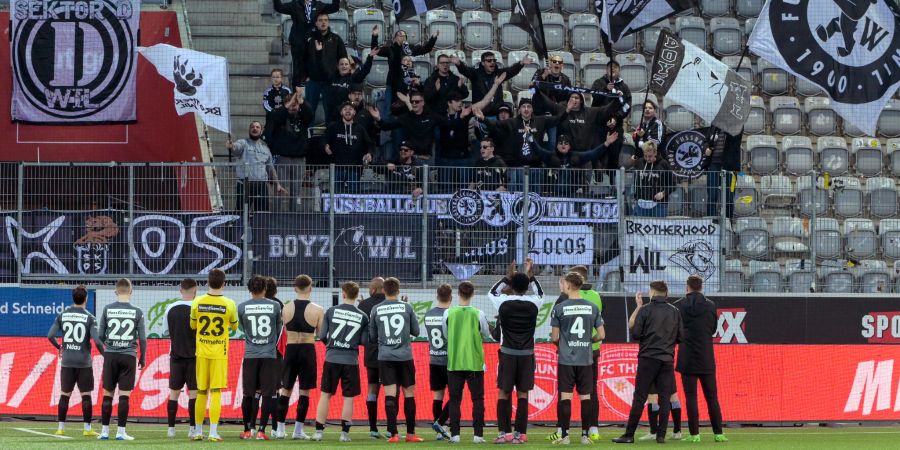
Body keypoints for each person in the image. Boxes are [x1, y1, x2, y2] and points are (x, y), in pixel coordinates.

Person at [612, 281, 683, 444]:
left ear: (652, 293)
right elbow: (681, 336)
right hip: (666, 359)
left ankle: (629, 435)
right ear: (666, 293)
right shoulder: (675, 311)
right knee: (665, 398)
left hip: (648, 358)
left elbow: (635, 334)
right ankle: (661, 436)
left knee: (640, 397)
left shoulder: (645, 310)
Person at [489, 259, 544, 444]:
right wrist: (530, 274)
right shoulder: (534, 303)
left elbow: (492, 291)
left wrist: (508, 276)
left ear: (511, 285)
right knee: (523, 394)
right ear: (526, 287)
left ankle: (504, 433)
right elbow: (540, 292)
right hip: (527, 355)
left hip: (507, 354)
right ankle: (520, 434)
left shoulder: (503, 302)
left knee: (503, 393)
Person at [547, 265, 604, 443]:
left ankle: (564, 436)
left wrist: (563, 343)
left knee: (565, 396)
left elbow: (554, 337)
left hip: (566, 358)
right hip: (586, 358)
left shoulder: (559, 308)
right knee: (586, 397)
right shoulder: (592, 307)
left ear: (569, 286)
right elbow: (602, 335)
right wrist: (588, 341)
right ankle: (585, 435)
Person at [314, 281, 371, 442]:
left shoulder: (331, 311)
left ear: (343, 294)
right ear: (357, 295)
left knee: (325, 395)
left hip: (331, 358)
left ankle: (319, 432)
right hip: (350, 360)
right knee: (348, 398)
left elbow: (322, 335)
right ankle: (344, 434)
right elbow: (364, 341)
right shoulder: (363, 316)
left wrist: (331, 346)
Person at [673, 275, 727, 443]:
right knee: (712, 396)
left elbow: (675, 331)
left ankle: (694, 434)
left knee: (691, 397)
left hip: (687, 356)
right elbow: (713, 329)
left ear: (687, 287)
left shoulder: (678, 306)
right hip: (706, 356)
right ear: (701, 287)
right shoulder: (710, 305)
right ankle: (718, 433)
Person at [368, 277, 423, 442]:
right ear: (398, 291)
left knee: (390, 395)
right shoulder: (407, 307)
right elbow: (416, 331)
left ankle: (393, 434)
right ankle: (411, 434)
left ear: (384, 290)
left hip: (385, 357)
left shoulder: (376, 309)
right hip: (405, 356)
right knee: (409, 394)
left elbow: (372, 337)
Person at [48, 285, 104, 437]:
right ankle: (87, 429)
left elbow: (50, 335)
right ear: (86, 298)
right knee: (86, 395)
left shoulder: (63, 315)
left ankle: (60, 428)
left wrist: (60, 347)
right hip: (84, 362)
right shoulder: (90, 317)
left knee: (64, 395)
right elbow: (98, 342)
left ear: (73, 298)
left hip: (67, 361)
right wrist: (105, 355)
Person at [190, 269, 239, 442]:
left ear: (207, 282)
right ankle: (212, 432)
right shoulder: (229, 303)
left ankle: (197, 432)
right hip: (219, 353)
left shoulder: (197, 301)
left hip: (202, 352)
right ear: (224, 283)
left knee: (201, 391)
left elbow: (193, 325)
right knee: (216, 391)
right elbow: (234, 327)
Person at [97, 278, 146, 441]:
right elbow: (143, 339)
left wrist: (109, 350)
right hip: (129, 356)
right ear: (131, 292)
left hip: (111, 355)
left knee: (107, 394)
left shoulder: (107, 309)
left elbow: (99, 336)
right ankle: (120, 432)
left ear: (115, 291)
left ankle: (104, 432)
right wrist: (143, 358)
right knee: (124, 396)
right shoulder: (137, 311)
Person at [443, 281, 492, 444]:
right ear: (473, 294)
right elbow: (486, 334)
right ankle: (478, 435)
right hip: (474, 363)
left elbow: (445, 334)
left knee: (455, 400)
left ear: (458, 294)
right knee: (478, 400)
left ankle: (455, 435)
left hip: (455, 362)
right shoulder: (478, 313)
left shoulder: (448, 313)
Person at [276, 274, 324, 440]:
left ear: (295, 288)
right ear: (310, 288)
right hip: (307, 350)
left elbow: (284, 329)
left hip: (291, 350)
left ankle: (280, 429)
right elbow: (320, 334)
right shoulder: (318, 309)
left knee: (286, 389)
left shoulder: (286, 308)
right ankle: (298, 431)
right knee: (304, 391)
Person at [238, 276, 283, 440]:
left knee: (248, 394)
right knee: (269, 394)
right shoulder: (275, 306)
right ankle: (262, 431)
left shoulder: (242, 307)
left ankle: (248, 430)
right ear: (265, 289)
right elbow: (278, 331)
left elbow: (243, 328)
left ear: (249, 289)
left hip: (250, 354)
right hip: (269, 355)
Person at [273, 0, 341, 91]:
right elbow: (279, 7)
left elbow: (334, 8)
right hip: (298, 42)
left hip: (312, 42)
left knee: (312, 67)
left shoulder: (319, 5)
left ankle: (312, 93)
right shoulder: (295, 4)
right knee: (297, 69)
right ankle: (296, 93)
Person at [264, 92, 314, 212]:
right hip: (282, 158)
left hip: (299, 159)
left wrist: (302, 102)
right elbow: (274, 117)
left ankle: (295, 217)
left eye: (295, 104)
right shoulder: (279, 116)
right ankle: (275, 216)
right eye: (290, 104)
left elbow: (311, 115)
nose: (293, 106)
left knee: (296, 190)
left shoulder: (303, 117)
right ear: (285, 104)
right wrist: (288, 104)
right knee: (279, 188)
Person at [226, 121, 288, 213]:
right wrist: (231, 146)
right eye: (252, 127)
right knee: (241, 213)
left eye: (257, 127)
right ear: (249, 130)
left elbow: (271, 168)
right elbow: (235, 147)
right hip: (245, 184)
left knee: (262, 215)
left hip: (261, 185)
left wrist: (278, 184)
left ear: (261, 131)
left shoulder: (265, 149)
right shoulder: (243, 143)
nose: (255, 129)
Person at [531, 132, 618, 196]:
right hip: (554, 193)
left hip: (573, 193)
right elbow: (539, 151)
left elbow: (593, 153)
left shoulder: (576, 156)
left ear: (570, 146)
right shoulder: (550, 156)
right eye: (560, 143)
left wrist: (606, 143)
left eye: (566, 143)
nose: (563, 145)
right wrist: (531, 139)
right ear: (556, 145)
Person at [164, 278, 198, 439]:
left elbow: (166, 332)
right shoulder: (198, 308)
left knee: (173, 394)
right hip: (194, 357)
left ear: (180, 290)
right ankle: (193, 428)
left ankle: (171, 428)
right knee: (194, 394)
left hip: (176, 356)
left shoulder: (170, 308)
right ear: (195, 291)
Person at [297, 12, 348, 114]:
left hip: (330, 81)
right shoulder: (308, 39)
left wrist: (339, 77)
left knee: (330, 111)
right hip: (313, 81)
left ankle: (330, 130)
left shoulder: (336, 39)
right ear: (316, 23)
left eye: (325, 20)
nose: (323, 23)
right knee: (309, 111)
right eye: (320, 20)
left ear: (328, 23)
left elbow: (343, 59)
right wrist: (304, 76)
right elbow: (301, 60)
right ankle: (308, 130)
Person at [323, 26, 377, 121]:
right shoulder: (331, 77)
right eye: (341, 64)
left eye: (346, 64)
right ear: (337, 66)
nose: (344, 66)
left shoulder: (354, 78)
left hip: (347, 116)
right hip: (331, 115)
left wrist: (370, 56)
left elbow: (365, 70)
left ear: (349, 67)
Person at [369, 91, 442, 161]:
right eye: (412, 102)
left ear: (422, 102)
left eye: (417, 101)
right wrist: (378, 118)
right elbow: (387, 126)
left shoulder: (431, 116)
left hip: (427, 159)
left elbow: (446, 123)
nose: (414, 104)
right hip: (411, 159)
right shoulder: (406, 117)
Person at [358, 277, 389, 439]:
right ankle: (391, 429)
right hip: (389, 353)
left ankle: (373, 429)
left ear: (372, 289)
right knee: (391, 390)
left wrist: (362, 304)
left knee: (372, 390)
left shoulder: (363, 305)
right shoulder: (391, 303)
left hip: (371, 354)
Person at [452, 52, 529, 116]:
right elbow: (465, 70)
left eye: (494, 60)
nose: (492, 62)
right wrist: (459, 64)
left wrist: (521, 63)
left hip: (497, 115)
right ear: (482, 63)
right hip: (480, 114)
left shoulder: (499, 73)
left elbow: (511, 71)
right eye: (489, 61)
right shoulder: (475, 74)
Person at [591, 60, 632, 176]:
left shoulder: (624, 87)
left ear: (619, 70)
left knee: (613, 158)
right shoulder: (599, 83)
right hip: (599, 127)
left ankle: (613, 187)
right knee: (598, 155)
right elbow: (595, 98)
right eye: (610, 67)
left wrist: (616, 118)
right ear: (606, 70)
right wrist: (605, 90)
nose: (612, 69)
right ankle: (598, 184)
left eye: (615, 67)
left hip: (616, 127)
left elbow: (627, 106)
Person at [424, 284, 453, 440]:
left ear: (437, 296)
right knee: (455, 395)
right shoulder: (451, 314)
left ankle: (439, 432)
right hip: (449, 361)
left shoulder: (428, 315)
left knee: (438, 396)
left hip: (433, 359)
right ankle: (442, 423)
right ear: (451, 297)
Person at [325, 102, 375, 192]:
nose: (348, 111)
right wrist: (325, 146)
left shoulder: (360, 128)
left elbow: (370, 144)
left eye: (350, 109)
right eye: (345, 109)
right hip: (336, 167)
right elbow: (324, 140)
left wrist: (369, 153)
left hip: (354, 168)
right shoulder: (333, 126)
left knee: (353, 197)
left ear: (354, 112)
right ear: (341, 112)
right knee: (335, 195)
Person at [627, 141, 674, 217]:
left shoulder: (663, 164)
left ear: (655, 153)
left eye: (650, 156)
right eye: (645, 156)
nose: (647, 159)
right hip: (641, 204)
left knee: (659, 227)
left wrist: (663, 193)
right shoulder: (639, 162)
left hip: (659, 205)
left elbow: (673, 184)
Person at [704, 127, 741, 218]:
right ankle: (711, 222)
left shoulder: (737, 124)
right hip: (713, 164)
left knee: (729, 196)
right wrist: (706, 148)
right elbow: (707, 140)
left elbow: (735, 139)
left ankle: (728, 223)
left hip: (730, 167)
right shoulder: (714, 125)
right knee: (712, 195)